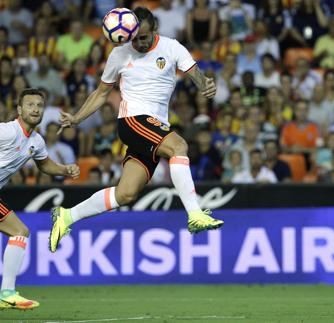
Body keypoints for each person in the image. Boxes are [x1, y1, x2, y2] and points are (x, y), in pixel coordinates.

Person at [49, 7, 223, 253]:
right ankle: (195, 213)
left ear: (155, 30)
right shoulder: (119, 54)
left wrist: (206, 84)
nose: (139, 43)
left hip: (155, 127)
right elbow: (101, 93)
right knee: (179, 146)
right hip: (133, 120)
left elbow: (196, 74)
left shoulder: (172, 47)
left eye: (144, 37)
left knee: (126, 194)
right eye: (134, 38)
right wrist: (77, 118)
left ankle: (66, 216)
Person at [0, 89, 80, 309]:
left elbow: (45, 165)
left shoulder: (36, 141)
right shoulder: (7, 131)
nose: (35, 109)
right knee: (19, 231)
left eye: (39, 105)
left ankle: (7, 293)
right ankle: (7, 293)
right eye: (29, 105)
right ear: (19, 109)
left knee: (20, 232)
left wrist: (65, 170)